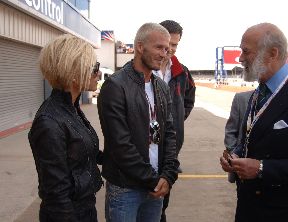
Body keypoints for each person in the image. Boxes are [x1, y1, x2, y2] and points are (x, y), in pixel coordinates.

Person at [97, 23, 179, 222]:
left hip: (156, 187)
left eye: (167, 49)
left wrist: (168, 175)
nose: (164, 54)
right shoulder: (115, 86)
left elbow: (169, 133)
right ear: (140, 47)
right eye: (159, 47)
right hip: (126, 188)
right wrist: (153, 180)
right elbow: (120, 145)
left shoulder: (160, 86)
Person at [220, 22, 288, 222]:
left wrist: (262, 168)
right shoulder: (260, 92)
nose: (240, 58)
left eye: (246, 52)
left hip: (282, 213)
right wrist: (237, 154)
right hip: (249, 208)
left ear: (272, 53)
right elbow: (254, 137)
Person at [28, 34, 103, 222]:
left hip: (85, 207)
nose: (99, 74)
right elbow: (56, 193)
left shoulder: (72, 109)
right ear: (74, 70)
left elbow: (82, 155)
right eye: (95, 68)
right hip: (67, 214)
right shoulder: (49, 121)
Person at [152, 20, 195, 222]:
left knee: (162, 202)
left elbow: (189, 99)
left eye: (175, 45)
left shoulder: (182, 72)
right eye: (167, 43)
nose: (170, 49)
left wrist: (176, 120)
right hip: (142, 148)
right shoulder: (142, 68)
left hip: (170, 147)